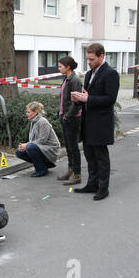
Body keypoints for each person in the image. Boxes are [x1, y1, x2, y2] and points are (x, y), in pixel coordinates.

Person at [71, 43, 120, 201]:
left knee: (101, 157)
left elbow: (110, 99)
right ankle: (92, 184)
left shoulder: (111, 73)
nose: (89, 62)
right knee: (90, 156)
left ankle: (103, 188)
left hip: (100, 123)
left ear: (101, 56)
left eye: (92, 59)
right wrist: (78, 99)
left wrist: (88, 98)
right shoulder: (90, 73)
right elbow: (87, 96)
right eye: (87, 59)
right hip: (88, 121)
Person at [56, 56, 83, 186]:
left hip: (71, 118)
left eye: (61, 66)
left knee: (73, 147)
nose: (58, 68)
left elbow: (77, 101)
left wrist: (68, 115)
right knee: (68, 147)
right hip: (65, 116)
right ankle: (70, 170)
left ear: (68, 67)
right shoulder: (66, 79)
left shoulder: (74, 80)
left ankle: (77, 174)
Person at [16, 102, 61, 177]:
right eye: (26, 112)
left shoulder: (43, 122)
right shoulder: (34, 121)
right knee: (19, 152)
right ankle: (43, 165)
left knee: (30, 147)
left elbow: (42, 140)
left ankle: (41, 170)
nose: (26, 114)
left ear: (36, 112)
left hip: (51, 150)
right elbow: (34, 140)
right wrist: (24, 146)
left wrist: (26, 145)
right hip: (42, 148)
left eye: (28, 112)